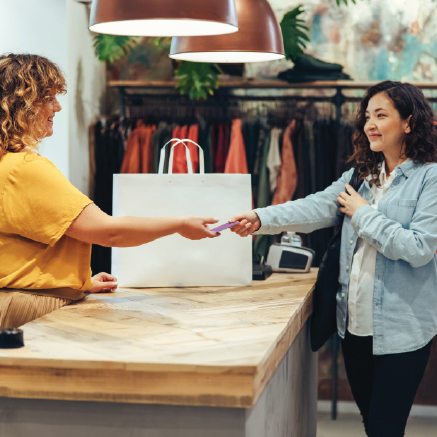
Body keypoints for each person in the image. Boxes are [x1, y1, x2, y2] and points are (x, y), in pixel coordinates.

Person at [229, 80, 437, 437]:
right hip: (354, 328)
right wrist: (261, 217)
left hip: (403, 331)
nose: (370, 123)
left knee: (386, 429)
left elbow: (419, 249)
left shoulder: (430, 177)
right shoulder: (362, 176)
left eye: (381, 115)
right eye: (367, 116)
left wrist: (362, 213)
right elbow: (313, 206)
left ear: (409, 122)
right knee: (373, 425)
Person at [0, 53, 219, 329]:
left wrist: (80, 281)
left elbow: (16, 249)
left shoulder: (6, 163)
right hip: (33, 309)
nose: (57, 107)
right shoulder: (26, 168)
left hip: (15, 302)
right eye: (48, 98)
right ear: (22, 104)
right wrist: (179, 224)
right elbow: (108, 231)